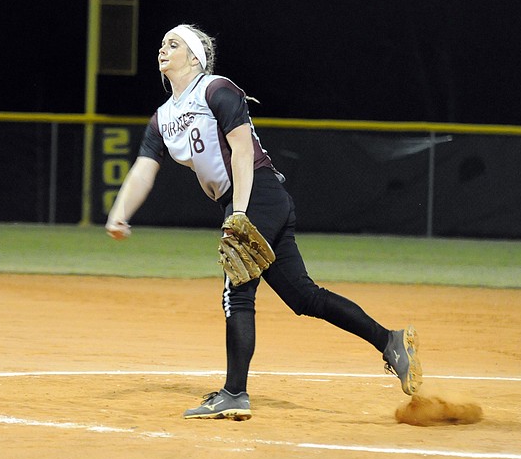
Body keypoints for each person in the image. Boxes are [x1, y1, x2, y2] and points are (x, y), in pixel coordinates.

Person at [105, 24, 422, 420]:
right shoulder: (163, 117)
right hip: (253, 201)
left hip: (255, 193)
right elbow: (143, 168)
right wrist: (119, 213)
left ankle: (234, 392)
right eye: (162, 44)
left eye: (174, 44)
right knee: (303, 296)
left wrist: (239, 212)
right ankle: (389, 341)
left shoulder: (216, 89)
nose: (162, 49)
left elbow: (240, 150)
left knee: (236, 292)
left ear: (195, 56)